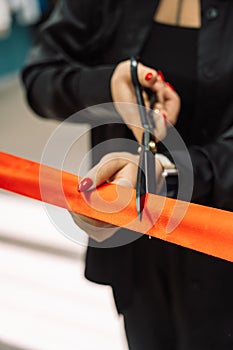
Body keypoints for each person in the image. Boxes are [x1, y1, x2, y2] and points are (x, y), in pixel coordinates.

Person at [22, 0, 233, 349]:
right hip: (136, 242)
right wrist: (107, 87)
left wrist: (167, 171)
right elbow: (39, 75)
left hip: (219, 239)